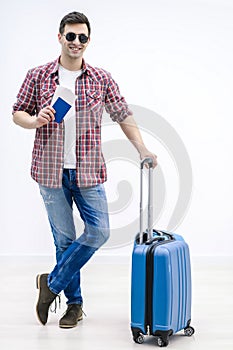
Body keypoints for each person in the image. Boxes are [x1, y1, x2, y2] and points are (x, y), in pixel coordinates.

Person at [12, 11, 157, 329]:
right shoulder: (38, 76)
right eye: (71, 36)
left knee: (99, 232)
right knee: (64, 242)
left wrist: (142, 149)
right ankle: (74, 306)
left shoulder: (101, 78)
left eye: (82, 37)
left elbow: (122, 114)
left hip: (88, 171)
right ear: (60, 37)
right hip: (50, 173)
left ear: (88, 41)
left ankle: (50, 284)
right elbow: (17, 113)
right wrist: (35, 119)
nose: (76, 42)